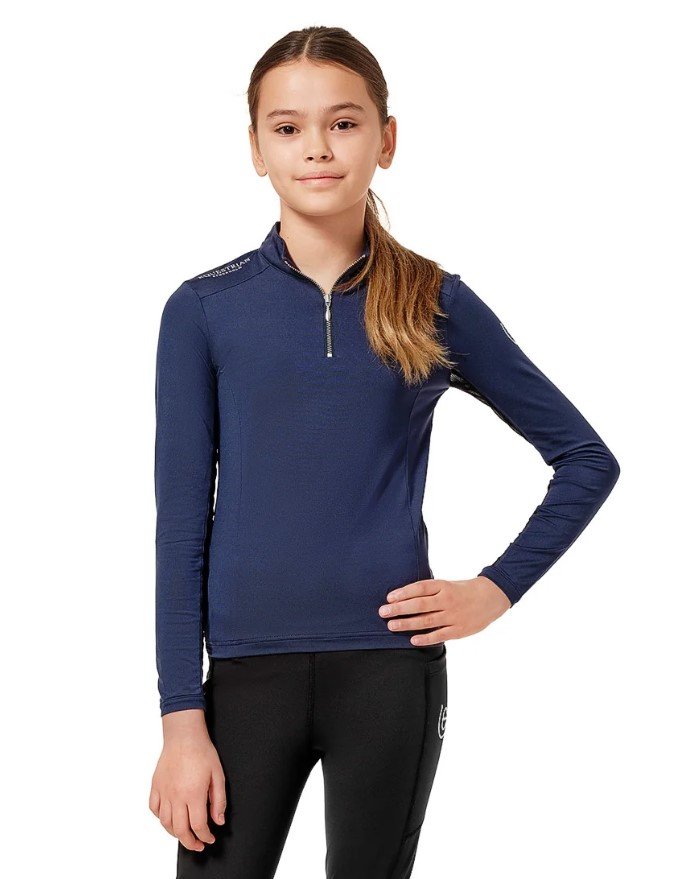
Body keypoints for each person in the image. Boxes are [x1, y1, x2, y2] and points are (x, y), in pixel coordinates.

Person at [148, 25, 620, 879]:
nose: (317, 148)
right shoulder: (204, 310)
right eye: (287, 127)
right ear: (255, 148)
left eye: (344, 123)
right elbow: (181, 528)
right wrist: (182, 719)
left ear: (386, 139)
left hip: (389, 673)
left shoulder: (434, 301)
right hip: (246, 676)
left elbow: (586, 458)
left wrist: (495, 589)